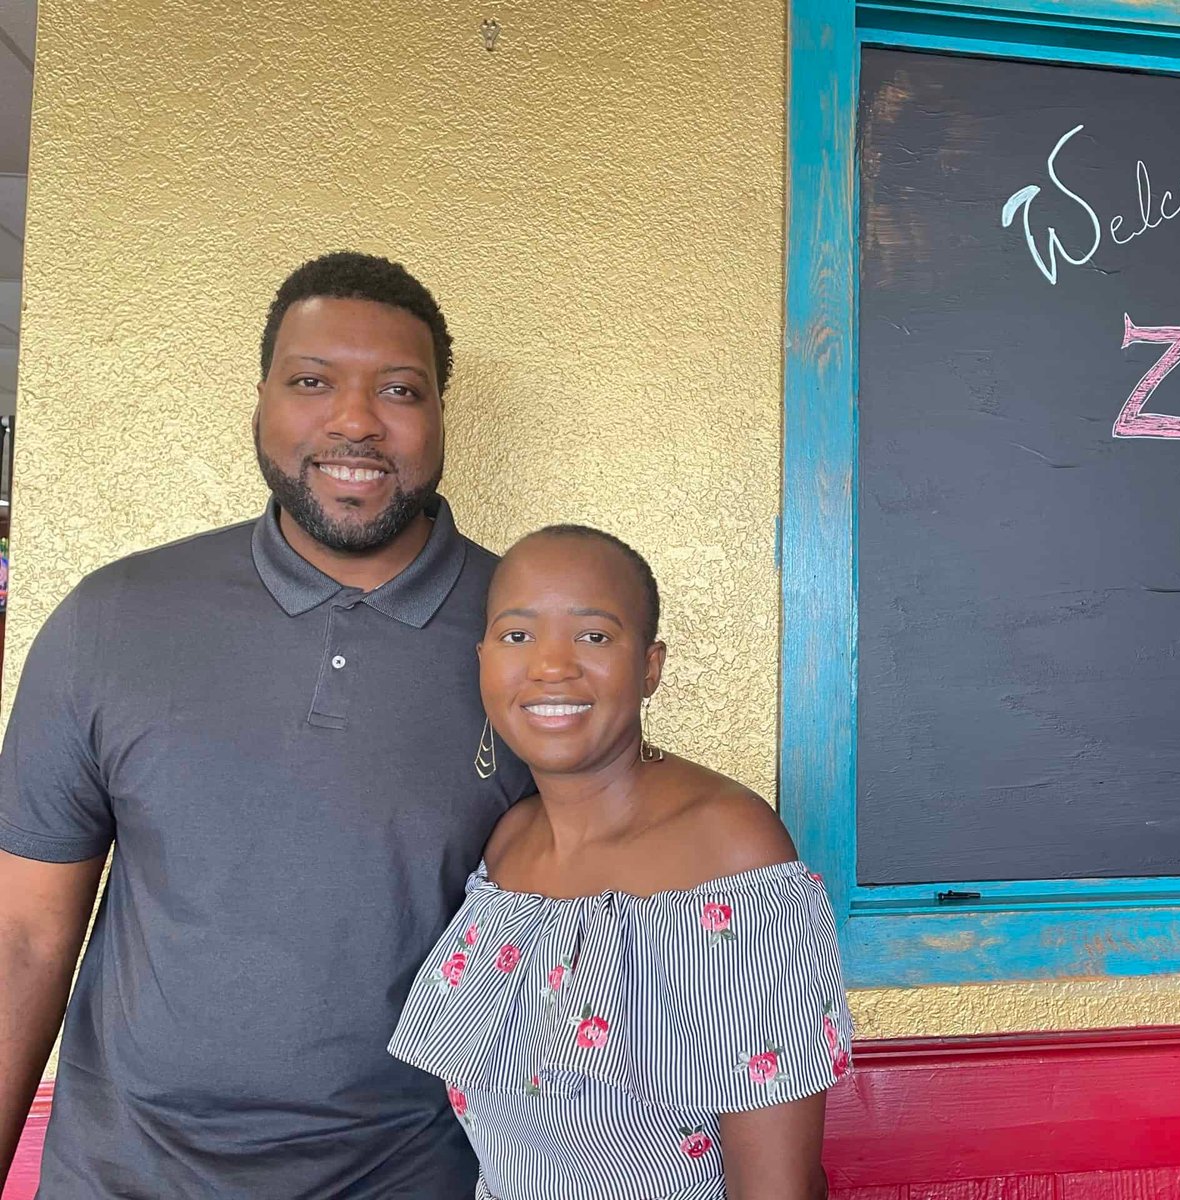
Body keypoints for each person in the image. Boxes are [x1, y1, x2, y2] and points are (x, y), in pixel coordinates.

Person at [0, 251, 532, 1196]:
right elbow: (24, 938)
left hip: (414, 1177)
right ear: (260, 404)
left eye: (400, 389)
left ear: (443, 416)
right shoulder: (114, 617)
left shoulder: (528, 639)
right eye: (312, 381)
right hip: (120, 1176)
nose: (356, 419)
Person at [388, 526, 851, 1200]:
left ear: (651, 666)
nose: (551, 665)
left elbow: (778, 1188)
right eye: (518, 636)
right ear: (483, 659)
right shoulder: (508, 848)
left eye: (594, 636)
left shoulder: (727, 849)